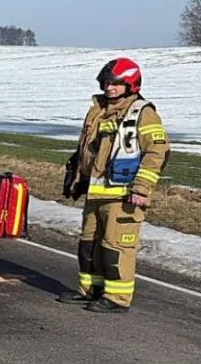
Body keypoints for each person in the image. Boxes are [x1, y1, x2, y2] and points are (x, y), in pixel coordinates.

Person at [59, 57, 170, 313]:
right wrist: (78, 179)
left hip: (124, 197)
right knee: (89, 245)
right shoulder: (97, 110)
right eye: (108, 83)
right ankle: (90, 289)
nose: (110, 88)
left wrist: (141, 189)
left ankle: (117, 298)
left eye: (117, 84)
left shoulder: (143, 112)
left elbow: (157, 151)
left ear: (131, 85)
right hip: (96, 193)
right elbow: (88, 149)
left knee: (115, 247)